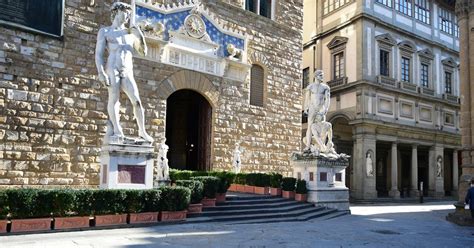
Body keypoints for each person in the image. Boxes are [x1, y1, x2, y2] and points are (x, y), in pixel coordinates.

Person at [95, 2, 153, 143]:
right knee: (114, 98)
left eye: (129, 14)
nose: (128, 17)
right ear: (117, 12)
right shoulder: (106, 31)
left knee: (137, 101)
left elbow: (144, 52)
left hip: (127, 70)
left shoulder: (130, 34)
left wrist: (140, 36)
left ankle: (142, 131)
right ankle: (116, 129)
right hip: (112, 67)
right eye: (126, 13)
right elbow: (98, 54)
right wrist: (101, 72)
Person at [303, 70, 331, 153]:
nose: (322, 77)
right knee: (309, 127)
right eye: (321, 75)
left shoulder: (325, 87)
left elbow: (327, 99)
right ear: (316, 76)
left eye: (322, 75)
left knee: (323, 127)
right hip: (312, 108)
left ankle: (321, 146)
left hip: (321, 109)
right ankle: (308, 145)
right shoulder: (310, 87)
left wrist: (325, 109)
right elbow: (307, 99)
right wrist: (305, 108)